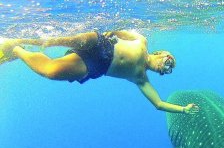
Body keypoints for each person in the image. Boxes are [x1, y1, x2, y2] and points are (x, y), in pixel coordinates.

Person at [0, 30, 199, 114]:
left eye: (168, 71)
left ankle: (15, 50)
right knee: (57, 40)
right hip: (101, 42)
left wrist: (183, 109)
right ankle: (20, 39)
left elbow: (158, 103)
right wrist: (111, 32)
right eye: (169, 61)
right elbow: (120, 30)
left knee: (51, 71)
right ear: (162, 53)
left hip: (96, 66)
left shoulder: (141, 78)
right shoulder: (142, 41)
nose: (166, 67)